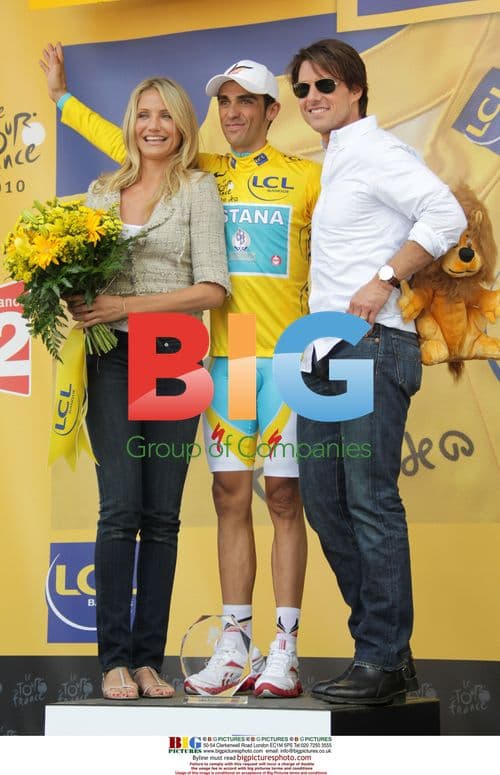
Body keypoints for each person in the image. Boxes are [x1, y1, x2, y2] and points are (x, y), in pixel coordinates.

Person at [40, 45, 321, 698]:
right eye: (223, 100)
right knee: (198, 502)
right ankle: (223, 645)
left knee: (273, 498)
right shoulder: (163, 178)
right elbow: (127, 140)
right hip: (207, 357)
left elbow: (345, 233)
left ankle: (282, 647)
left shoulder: (297, 175)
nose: (231, 111)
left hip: (276, 354)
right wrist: (60, 99)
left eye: (243, 100)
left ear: (271, 110)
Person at [287, 39, 466, 705]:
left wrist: (385, 276)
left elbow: (445, 215)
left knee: (367, 499)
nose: (312, 98)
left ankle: (382, 657)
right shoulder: (338, 160)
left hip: (368, 341)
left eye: (324, 86)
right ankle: (387, 651)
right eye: (302, 89)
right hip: (321, 348)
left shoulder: (379, 150)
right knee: (325, 501)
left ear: (356, 89)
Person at [62, 75, 230, 700]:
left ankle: (148, 663)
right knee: (119, 512)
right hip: (110, 361)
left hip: (175, 361)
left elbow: (212, 289)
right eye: (142, 114)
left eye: (165, 116)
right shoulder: (102, 192)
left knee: (161, 518)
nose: (153, 126)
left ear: (184, 125)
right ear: (131, 123)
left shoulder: (198, 189)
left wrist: (126, 305)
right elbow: (80, 281)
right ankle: (112, 661)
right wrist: (73, 296)